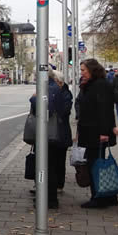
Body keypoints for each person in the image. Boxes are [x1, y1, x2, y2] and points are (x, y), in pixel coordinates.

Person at [76, 58, 118, 208]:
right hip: (91, 131)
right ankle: (109, 196)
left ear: (92, 70)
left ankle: (98, 198)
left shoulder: (100, 85)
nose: (82, 73)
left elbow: (104, 110)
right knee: (98, 163)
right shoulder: (92, 84)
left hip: (96, 132)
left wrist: (104, 132)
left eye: (83, 70)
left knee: (95, 165)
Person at [29, 70, 68, 208]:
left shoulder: (49, 88)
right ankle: (48, 197)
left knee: (47, 167)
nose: (34, 78)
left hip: (49, 135)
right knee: (49, 166)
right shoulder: (53, 87)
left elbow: (47, 110)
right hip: (53, 134)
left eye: (36, 76)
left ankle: (49, 199)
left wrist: (33, 99)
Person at [51, 69, 73, 190]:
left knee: (59, 159)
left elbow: (64, 111)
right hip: (54, 132)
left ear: (59, 82)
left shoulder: (65, 94)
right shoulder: (55, 92)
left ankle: (59, 184)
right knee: (52, 159)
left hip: (61, 132)